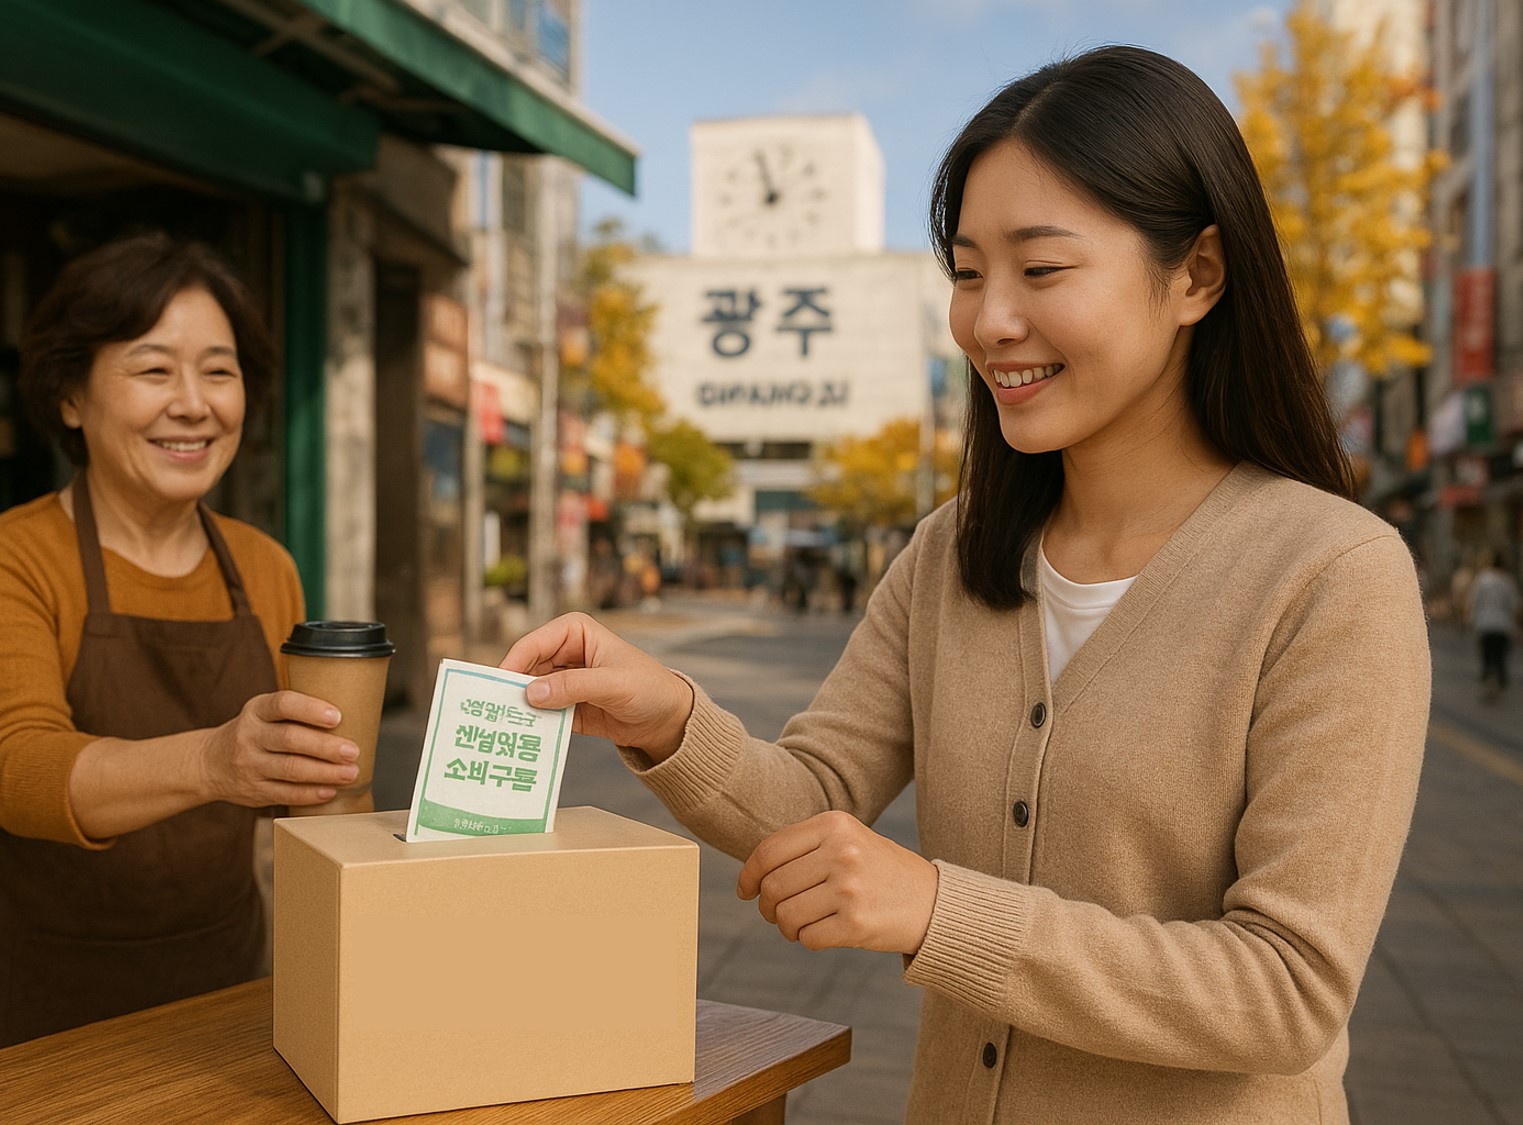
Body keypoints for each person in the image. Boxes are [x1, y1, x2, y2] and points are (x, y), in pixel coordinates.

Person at [503, 46, 1429, 1124]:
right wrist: (665, 716)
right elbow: (813, 801)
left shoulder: (1327, 574)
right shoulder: (955, 549)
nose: (988, 321)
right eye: (965, 270)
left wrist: (939, 909)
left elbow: (1286, 992)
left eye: (1040, 271)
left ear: (1197, 276)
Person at [0, 234, 361, 1045]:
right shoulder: (16, 557)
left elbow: (317, 802)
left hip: (231, 990)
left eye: (219, 371)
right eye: (155, 369)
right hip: (41, 1012)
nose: (194, 403)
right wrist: (213, 761)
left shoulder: (265, 566)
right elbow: (17, 766)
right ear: (69, 394)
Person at [1467, 548, 1521, 700]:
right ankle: (1498, 683)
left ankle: (1488, 682)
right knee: (1499, 657)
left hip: (1484, 623)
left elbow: (1475, 600)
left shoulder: (1483, 578)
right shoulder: (1508, 581)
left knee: (1487, 655)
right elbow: (1515, 605)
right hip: (1503, 626)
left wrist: (1471, 618)